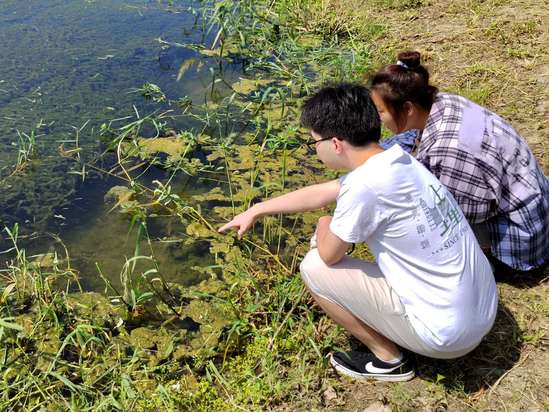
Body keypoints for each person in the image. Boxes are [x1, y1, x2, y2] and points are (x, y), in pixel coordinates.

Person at [219, 83, 498, 382]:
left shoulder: (365, 186)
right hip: (483, 309)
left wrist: (323, 223)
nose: (316, 150)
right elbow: (322, 192)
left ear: (335, 144)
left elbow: (329, 254)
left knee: (314, 267)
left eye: (314, 143)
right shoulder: (396, 160)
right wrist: (257, 209)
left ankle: (390, 361)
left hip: (448, 336)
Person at [371, 51, 549, 274]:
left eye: (381, 111)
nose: (379, 118)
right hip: (535, 199)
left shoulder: (446, 149)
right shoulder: (444, 101)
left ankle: (493, 262)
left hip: (521, 237)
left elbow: (469, 214)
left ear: (408, 108)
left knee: (424, 229)